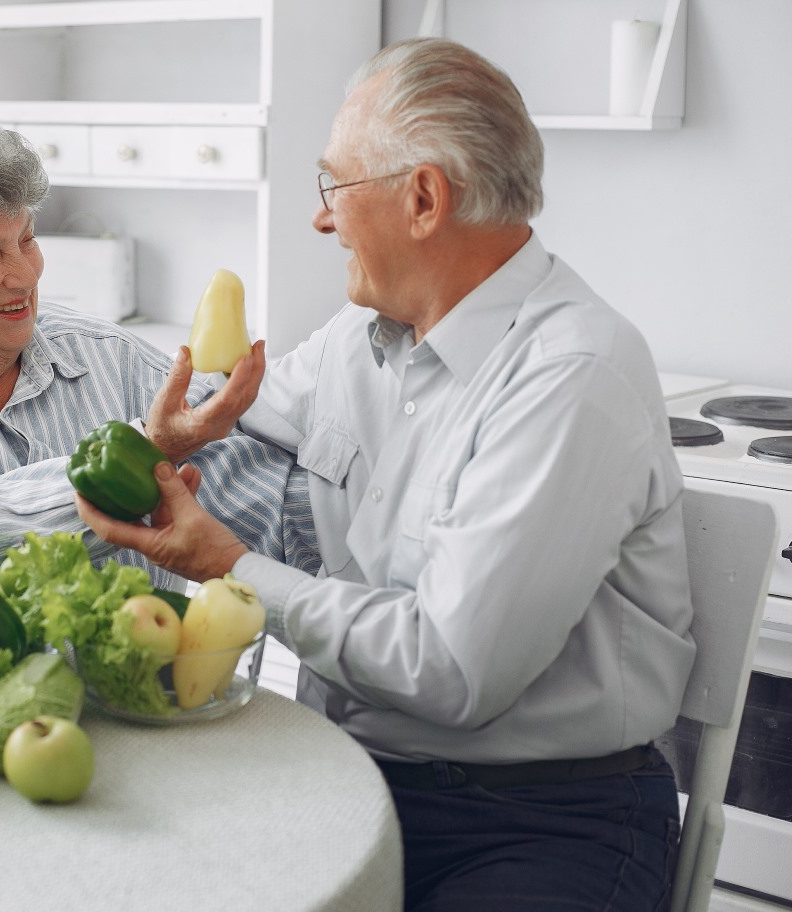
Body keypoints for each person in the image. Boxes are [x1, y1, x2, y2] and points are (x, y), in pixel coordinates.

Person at [76, 38, 696, 912]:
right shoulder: (357, 341)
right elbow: (234, 419)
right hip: (350, 777)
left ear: (423, 198)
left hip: (538, 821)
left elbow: (449, 670)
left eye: (335, 186)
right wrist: (183, 428)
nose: (321, 220)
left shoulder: (571, 376)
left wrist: (228, 566)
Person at [0, 106, 318, 635]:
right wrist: (142, 451)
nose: (24, 275)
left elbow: (259, 502)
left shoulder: (106, 355)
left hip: (98, 698)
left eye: (26, 238)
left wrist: (379, 498)